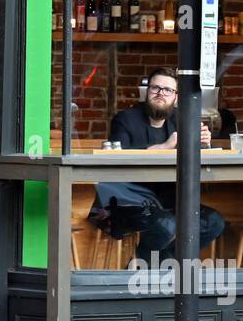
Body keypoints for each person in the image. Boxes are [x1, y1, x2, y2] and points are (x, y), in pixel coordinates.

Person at [95, 66, 226, 263]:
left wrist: (205, 143)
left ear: (176, 97)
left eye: (167, 90)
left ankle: (165, 260)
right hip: (128, 202)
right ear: (147, 92)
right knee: (167, 225)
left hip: (168, 201)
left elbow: (199, 155)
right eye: (155, 88)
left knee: (213, 222)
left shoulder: (180, 119)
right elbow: (118, 162)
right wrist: (166, 146)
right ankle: (146, 264)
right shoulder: (125, 119)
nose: (160, 93)